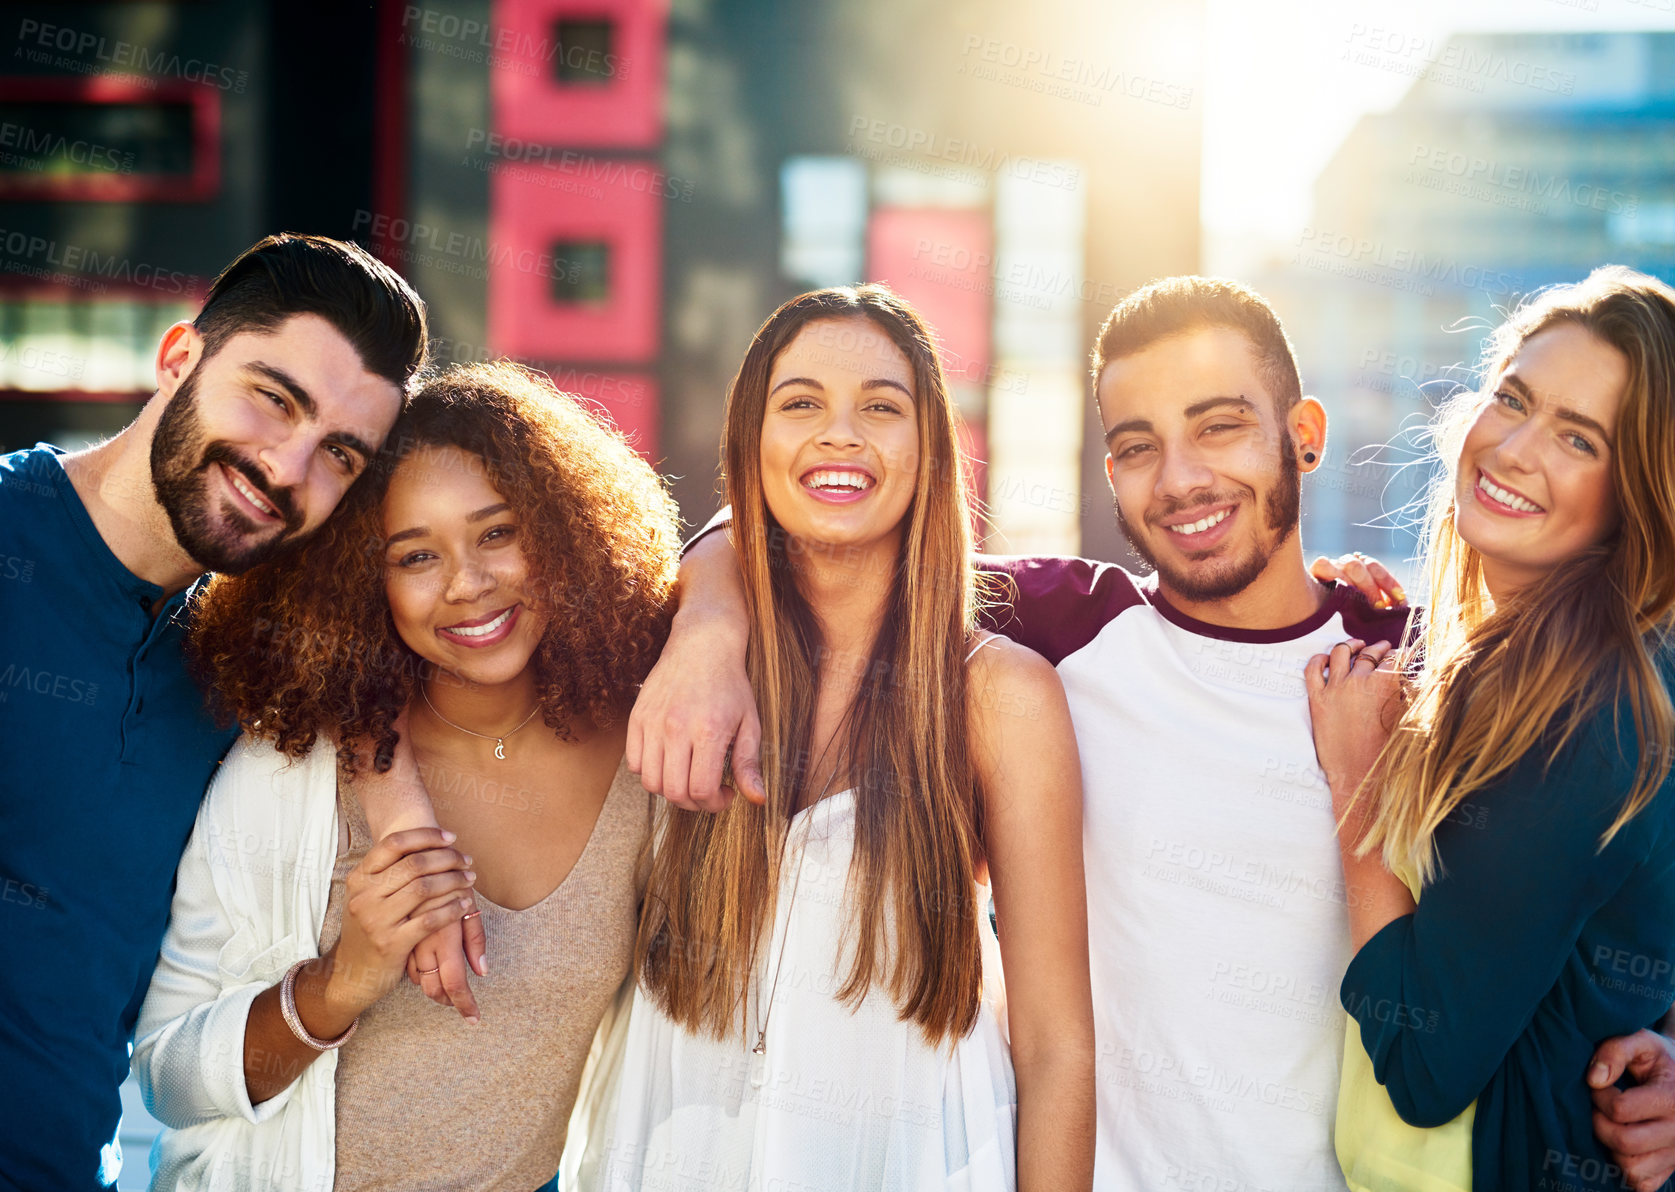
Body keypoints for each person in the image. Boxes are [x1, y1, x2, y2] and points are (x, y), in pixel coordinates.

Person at [626, 275, 1675, 1190]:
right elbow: (834, 524)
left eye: (1219, 426)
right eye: (1136, 446)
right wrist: (711, 621)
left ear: (1302, 434)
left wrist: (1660, 1054)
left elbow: (1573, 912)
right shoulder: (1061, 629)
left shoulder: (1415, 668)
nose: (1179, 479)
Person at [576, 285, 1094, 1190]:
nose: (840, 435)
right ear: (751, 443)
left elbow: (1056, 1050)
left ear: (930, 449)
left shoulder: (999, 696)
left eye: (881, 408)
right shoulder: (672, 659)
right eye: (802, 403)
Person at [131, 362, 681, 1190]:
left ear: (564, 529)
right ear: (361, 582)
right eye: (414, 555)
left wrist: (711, 622)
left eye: (497, 533)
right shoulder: (292, 771)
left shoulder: (648, 758)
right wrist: (338, 985)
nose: (467, 584)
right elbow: (165, 1079)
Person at [0, 233, 426, 1192]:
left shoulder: (239, 673)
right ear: (179, 357)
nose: (286, 466)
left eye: (340, 455)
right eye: (275, 400)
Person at [1307, 266, 1675, 1192]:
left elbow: (1426, 1072)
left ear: (1633, 494)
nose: (1512, 449)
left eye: (1577, 439)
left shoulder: (1588, 712)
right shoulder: (1500, 659)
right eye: (1512, 398)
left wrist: (1359, 790)